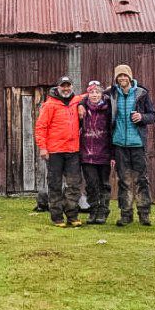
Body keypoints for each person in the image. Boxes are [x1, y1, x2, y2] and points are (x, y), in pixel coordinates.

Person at [108, 64, 155, 227]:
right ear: (116, 78)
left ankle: (144, 214)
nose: (122, 79)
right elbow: (91, 97)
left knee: (141, 179)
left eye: (125, 76)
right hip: (119, 144)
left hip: (137, 144)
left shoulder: (141, 94)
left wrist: (141, 117)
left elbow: (153, 116)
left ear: (130, 77)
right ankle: (126, 215)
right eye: (119, 76)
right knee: (124, 180)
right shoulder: (112, 94)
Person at [34, 75, 83, 227]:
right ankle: (57, 217)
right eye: (63, 86)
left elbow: (93, 94)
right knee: (55, 184)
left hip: (73, 150)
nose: (66, 88)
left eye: (68, 86)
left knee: (73, 184)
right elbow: (41, 127)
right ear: (58, 88)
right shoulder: (49, 105)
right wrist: (42, 147)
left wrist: (82, 105)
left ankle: (72, 216)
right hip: (55, 151)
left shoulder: (76, 100)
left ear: (72, 87)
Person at [78, 79, 112, 225]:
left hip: (104, 153)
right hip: (87, 154)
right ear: (87, 94)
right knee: (91, 184)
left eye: (97, 92)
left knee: (104, 184)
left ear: (101, 94)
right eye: (91, 92)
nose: (94, 95)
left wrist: (113, 154)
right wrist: (80, 104)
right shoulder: (81, 109)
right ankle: (93, 210)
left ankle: (103, 212)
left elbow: (113, 130)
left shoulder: (109, 108)